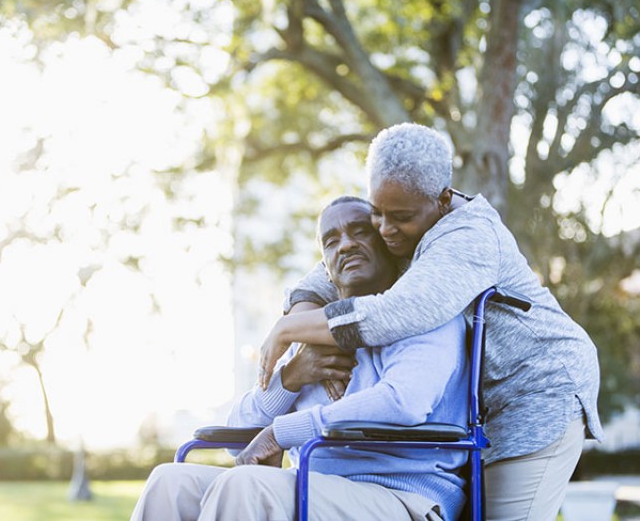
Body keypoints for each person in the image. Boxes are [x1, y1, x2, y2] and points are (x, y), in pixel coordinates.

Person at [259, 123, 604, 521]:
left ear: (442, 199)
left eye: (400, 217)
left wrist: (287, 330)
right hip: (479, 407)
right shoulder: (401, 220)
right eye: (376, 214)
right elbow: (322, 277)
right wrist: (306, 334)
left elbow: (395, 314)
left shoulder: (468, 236)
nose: (384, 230)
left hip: (537, 389)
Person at [131, 196, 470, 521]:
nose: (345, 245)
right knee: (169, 483)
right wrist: (291, 377)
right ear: (326, 270)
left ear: (388, 243)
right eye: (331, 241)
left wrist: (281, 432)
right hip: (314, 488)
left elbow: (403, 402)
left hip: (402, 495)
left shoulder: (425, 312)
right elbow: (236, 437)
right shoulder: (312, 330)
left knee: (246, 486)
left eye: (360, 231)